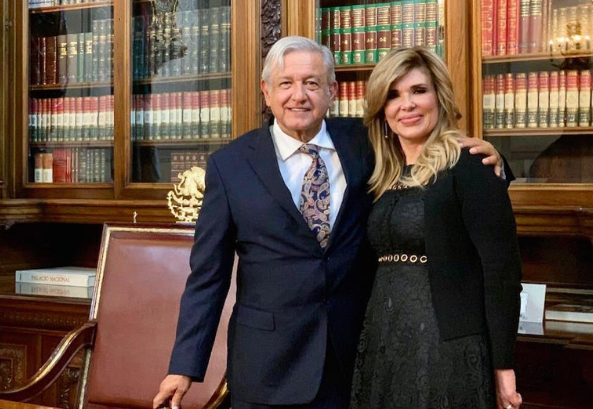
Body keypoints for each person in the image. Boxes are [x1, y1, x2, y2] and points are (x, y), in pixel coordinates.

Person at [153, 37, 502, 409]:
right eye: (286, 83)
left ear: (332, 91)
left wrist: (494, 161)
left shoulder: (369, 142)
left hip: (356, 360)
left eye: (312, 83)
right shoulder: (230, 166)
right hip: (267, 367)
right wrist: (184, 367)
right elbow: (208, 277)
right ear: (266, 91)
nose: (299, 96)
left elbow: (435, 156)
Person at [350, 47, 523, 409]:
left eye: (419, 91)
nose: (407, 105)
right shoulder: (380, 174)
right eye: (393, 95)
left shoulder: (471, 165)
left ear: (439, 97)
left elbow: (502, 272)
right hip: (383, 342)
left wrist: (503, 364)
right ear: (382, 109)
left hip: (447, 349)